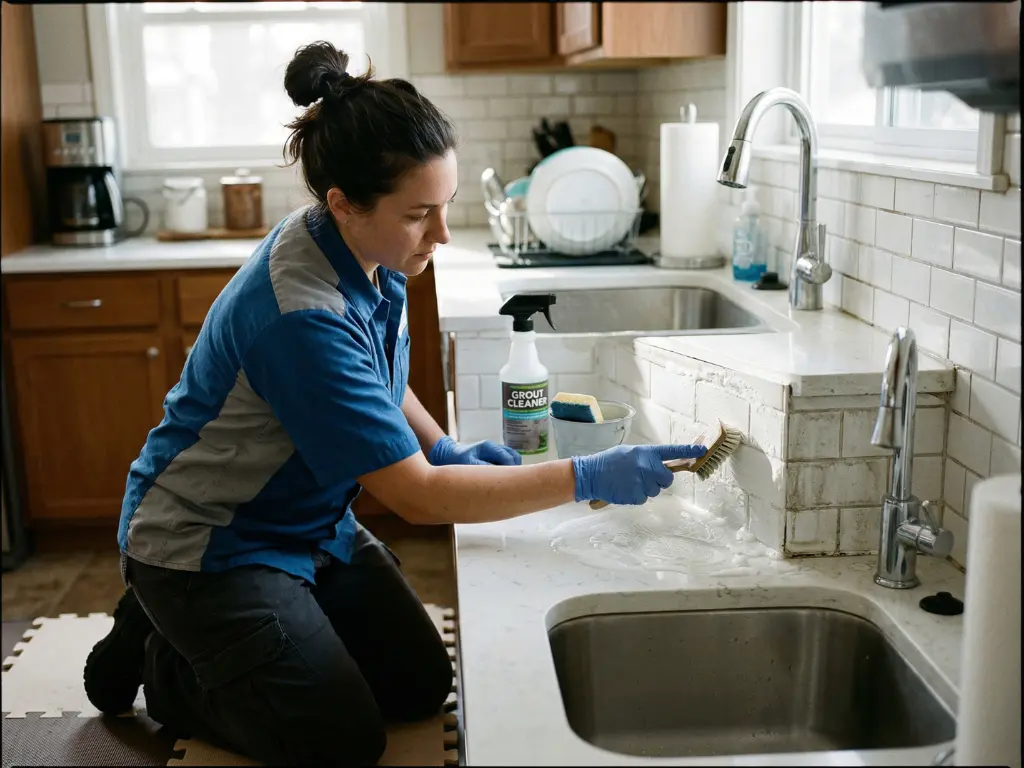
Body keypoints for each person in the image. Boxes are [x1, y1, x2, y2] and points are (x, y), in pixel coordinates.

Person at [83, 41, 707, 767]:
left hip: (306, 521)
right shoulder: (301, 313)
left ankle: (227, 637)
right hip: (210, 545)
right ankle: (164, 653)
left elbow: (376, 375)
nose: (441, 235)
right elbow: (417, 497)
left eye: (443, 209)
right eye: (420, 215)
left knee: (418, 684)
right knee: (340, 740)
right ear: (344, 204)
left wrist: (440, 442)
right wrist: (585, 477)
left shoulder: (364, 248)